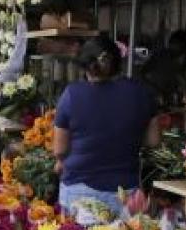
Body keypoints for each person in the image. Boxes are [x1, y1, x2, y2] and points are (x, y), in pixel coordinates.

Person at [54, 36, 161, 217]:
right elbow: (153, 141)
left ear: (85, 65)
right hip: (126, 194)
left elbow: (60, 149)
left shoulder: (72, 94)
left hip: (80, 193)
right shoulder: (141, 92)